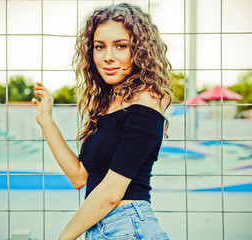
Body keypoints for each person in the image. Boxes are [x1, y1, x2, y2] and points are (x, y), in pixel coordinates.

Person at [32, 3, 172, 240]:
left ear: (139, 51)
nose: (108, 57)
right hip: (100, 228)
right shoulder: (106, 103)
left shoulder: (147, 100)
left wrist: (63, 238)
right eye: (100, 47)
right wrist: (46, 121)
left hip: (129, 227)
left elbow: (111, 193)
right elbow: (80, 177)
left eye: (120, 46)